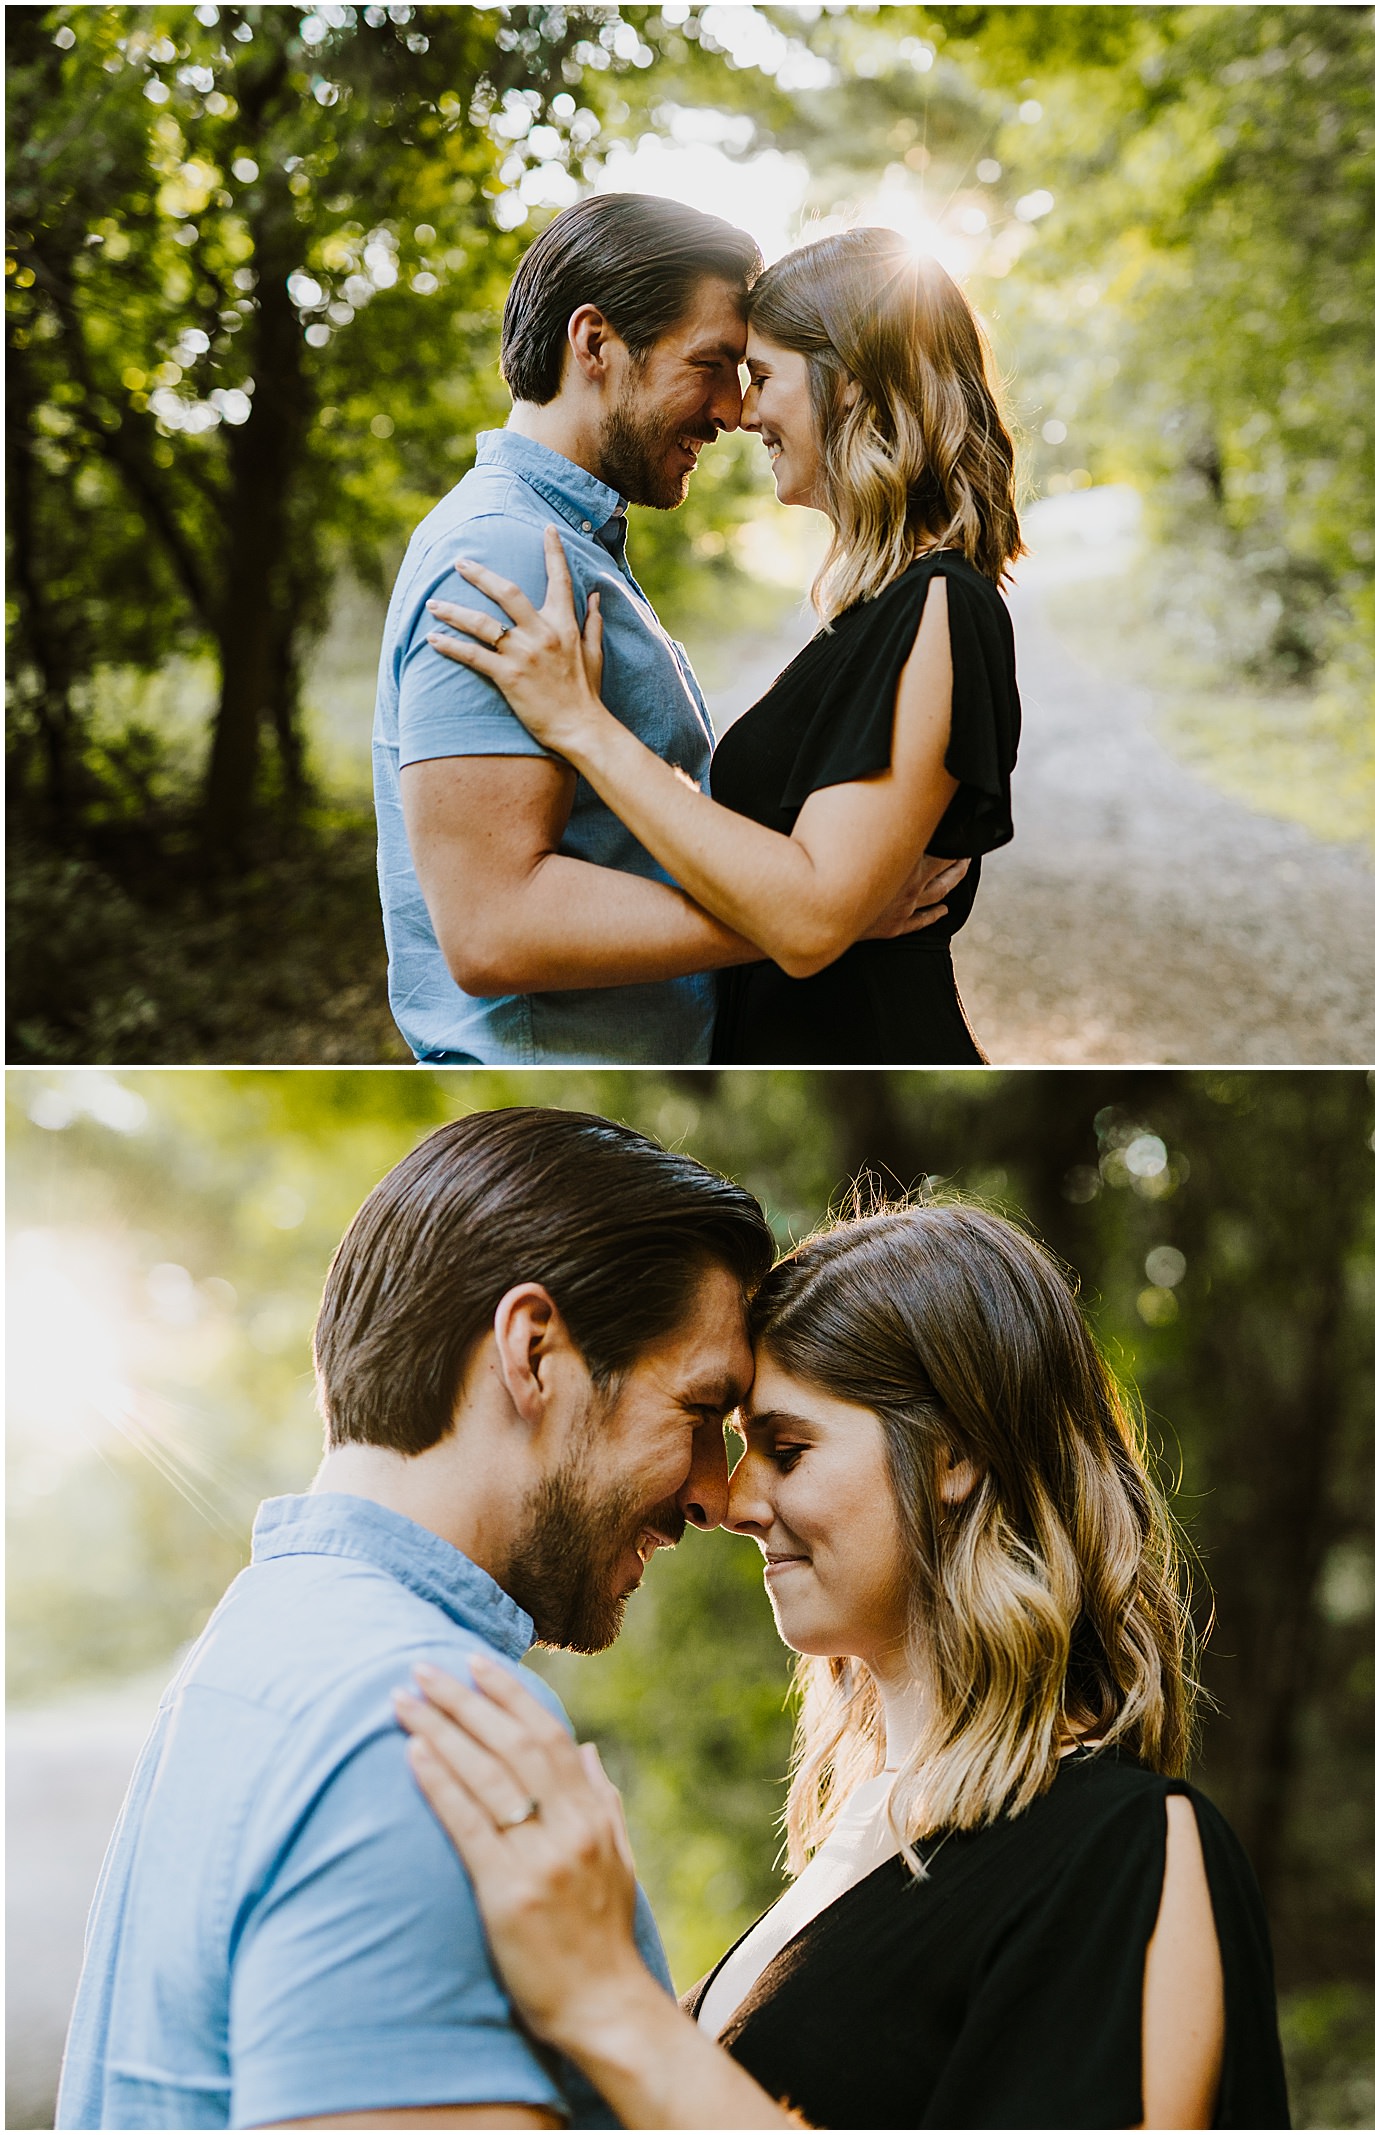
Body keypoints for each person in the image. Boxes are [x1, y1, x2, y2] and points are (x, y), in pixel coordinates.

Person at [398, 1202, 1292, 2129]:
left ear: (958, 1453)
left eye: (787, 1448)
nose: (732, 1499)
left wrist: (612, 2006)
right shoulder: (856, 1851)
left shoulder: (1130, 1849)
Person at [55, 1106, 772, 2131]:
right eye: (700, 1414)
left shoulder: (268, 1640)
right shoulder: (422, 1733)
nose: (716, 1492)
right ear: (532, 1350)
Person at [376, 195, 963, 1067]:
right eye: (713, 363)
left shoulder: (570, 544)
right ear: (595, 344)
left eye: (748, 374)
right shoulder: (507, 550)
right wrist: (808, 917)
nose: (733, 409)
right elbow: (494, 928)